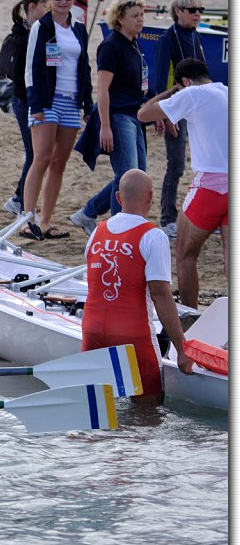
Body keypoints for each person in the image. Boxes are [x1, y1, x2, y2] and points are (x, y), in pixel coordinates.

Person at [81, 169, 192, 405]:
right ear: (151, 198)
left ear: (119, 198)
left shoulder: (96, 233)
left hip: (92, 332)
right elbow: (161, 295)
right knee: (148, 420)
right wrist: (182, 349)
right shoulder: (154, 236)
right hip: (133, 336)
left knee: (95, 415)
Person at [137, 59, 227, 309]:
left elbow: (144, 113)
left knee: (185, 255)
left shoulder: (192, 94)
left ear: (186, 82)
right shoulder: (228, 92)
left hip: (210, 186)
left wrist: (173, 91)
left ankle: (190, 316)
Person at [19, 0, 92, 241]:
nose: (63, 2)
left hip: (71, 101)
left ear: (75, 0)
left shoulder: (79, 28)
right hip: (47, 100)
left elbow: (85, 67)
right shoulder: (42, 27)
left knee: (60, 163)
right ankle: (27, 219)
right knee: (42, 159)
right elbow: (32, 67)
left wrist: (87, 102)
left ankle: (46, 220)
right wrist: (35, 103)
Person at [69, 0, 148, 234]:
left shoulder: (134, 43)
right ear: (120, 18)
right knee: (127, 177)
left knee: (136, 175)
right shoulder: (111, 46)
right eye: (135, 16)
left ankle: (88, 213)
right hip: (118, 116)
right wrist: (104, 125)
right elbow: (103, 89)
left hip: (135, 115)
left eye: (142, 15)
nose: (141, 20)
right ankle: (118, 230)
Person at [149, 0, 207, 239]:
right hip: (177, 107)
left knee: (205, 164)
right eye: (192, 10)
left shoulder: (195, 35)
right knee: (176, 165)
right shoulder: (167, 38)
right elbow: (160, 80)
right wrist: (164, 115)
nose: (197, 14)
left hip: (197, 106)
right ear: (178, 11)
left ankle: (204, 215)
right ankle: (167, 218)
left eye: (200, 10)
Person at [2, 0, 49, 217]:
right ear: (32, 7)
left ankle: (19, 199)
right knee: (33, 154)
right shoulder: (24, 38)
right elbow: (23, 76)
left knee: (36, 154)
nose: (48, 8)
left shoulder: (33, 32)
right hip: (24, 100)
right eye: (44, 4)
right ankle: (21, 203)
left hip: (28, 100)